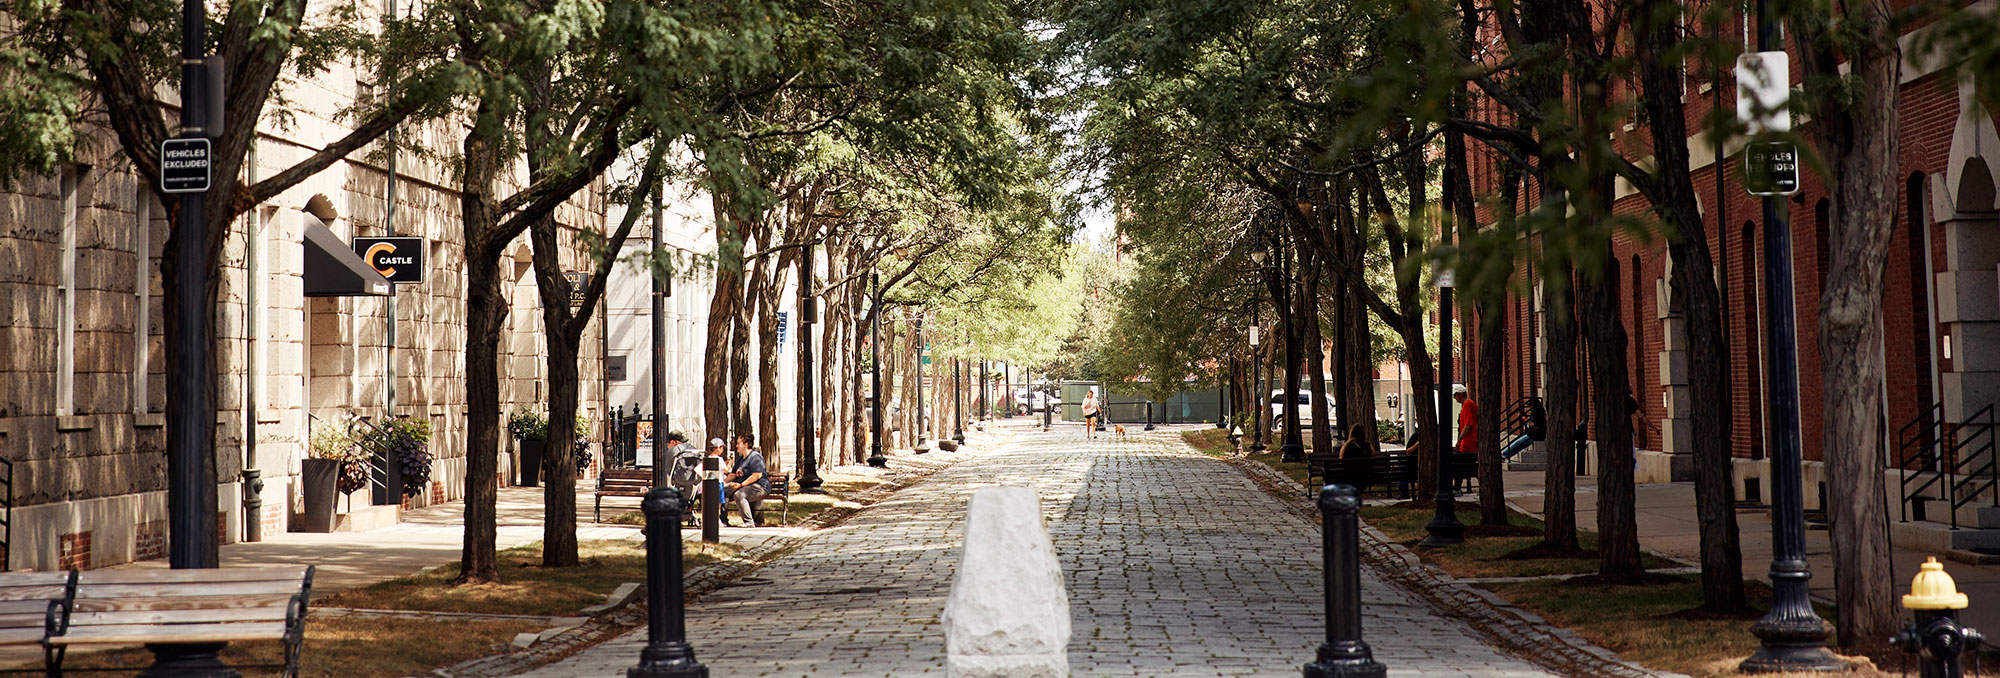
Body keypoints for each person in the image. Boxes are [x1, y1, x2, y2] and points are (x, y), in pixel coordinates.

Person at [724, 433, 771, 526]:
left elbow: (756, 475)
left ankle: (748, 522)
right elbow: (733, 475)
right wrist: (722, 483)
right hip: (744, 486)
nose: (736, 446)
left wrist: (741, 485)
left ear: (745, 445)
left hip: (760, 486)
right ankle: (723, 521)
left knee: (739, 495)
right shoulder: (740, 459)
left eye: (738, 443)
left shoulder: (755, 457)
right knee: (724, 491)